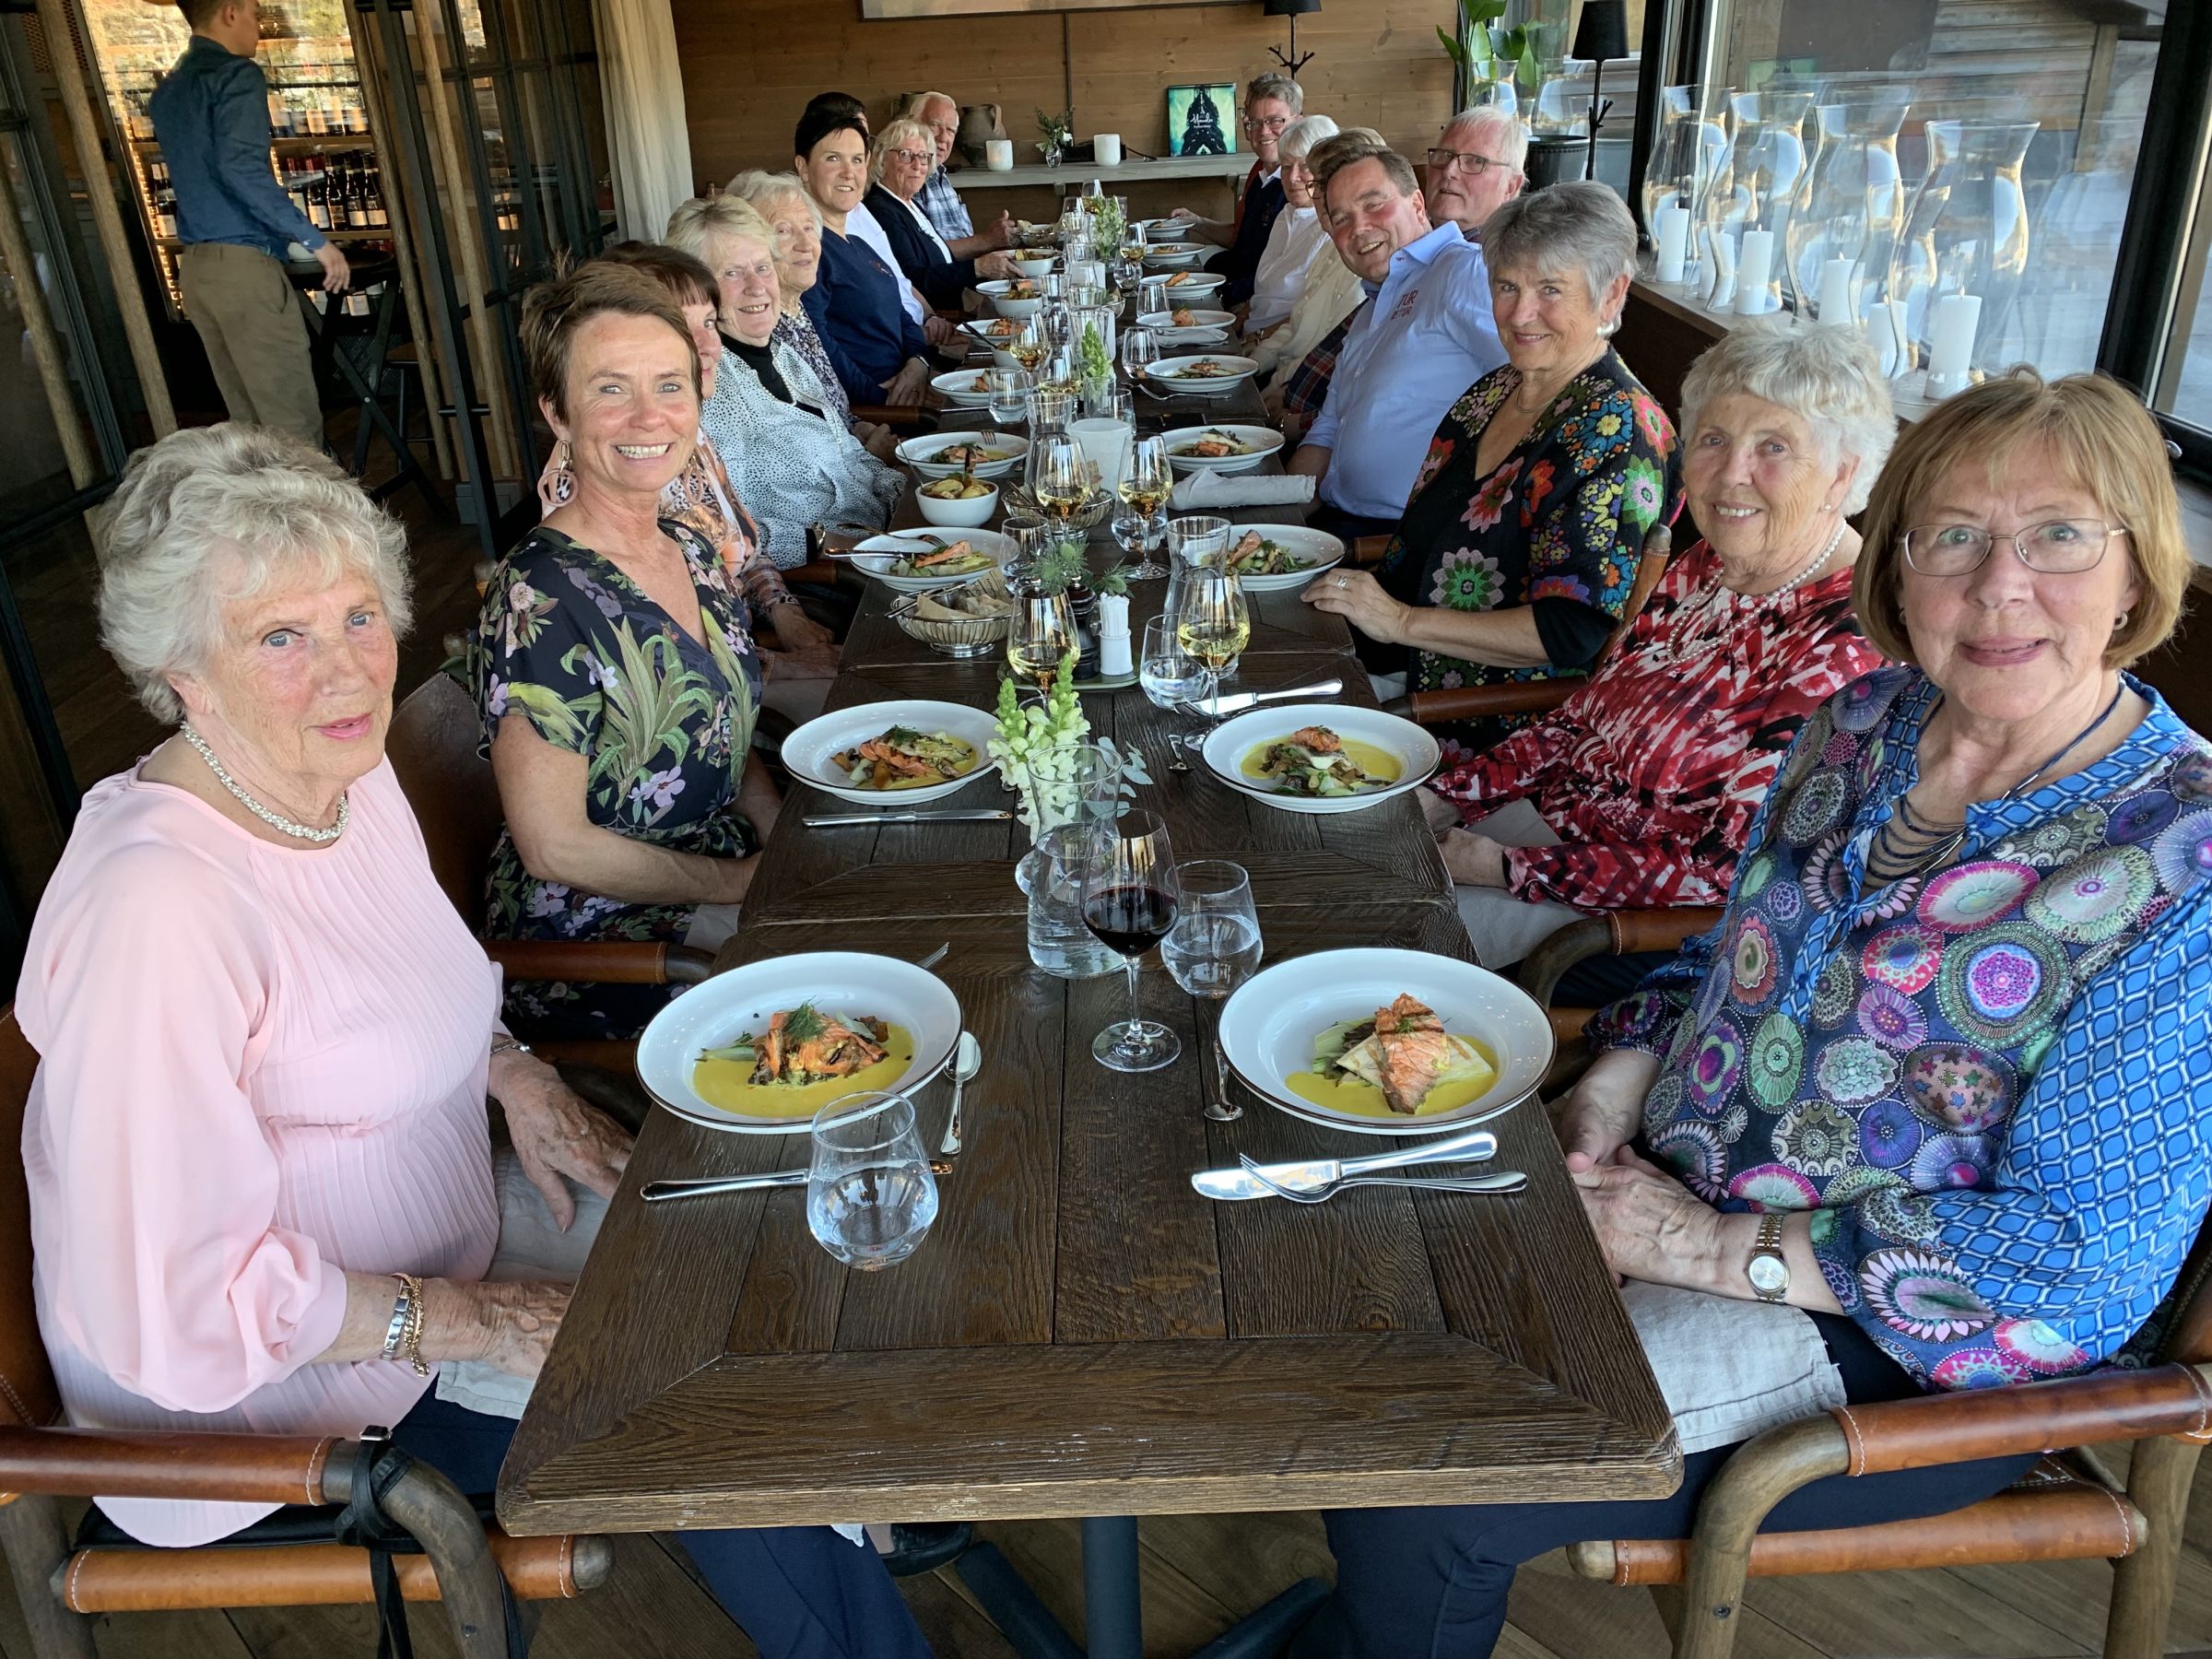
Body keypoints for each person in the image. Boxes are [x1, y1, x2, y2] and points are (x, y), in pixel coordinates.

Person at [1302, 366, 2211, 1659]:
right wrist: (1612, 1086)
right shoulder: (1863, 723)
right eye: (1953, 536)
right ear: (1898, 564)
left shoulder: (2181, 862)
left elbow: (2077, 1266)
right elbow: (1725, 962)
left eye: (2059, 536)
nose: (2000, 587)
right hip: (1655, 1186)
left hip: (1890, 1333)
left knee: (1429, 1471)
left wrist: (1706, 1247)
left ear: (2135, 574)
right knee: (1355, 1271)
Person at [20, 422, 934, 1658]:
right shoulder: (158, 910)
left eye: (357, 617)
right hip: (284, 1393)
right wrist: (474, 1321)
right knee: (710, 1392)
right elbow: (176, 1307)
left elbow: (412, 982)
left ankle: (860, 1498)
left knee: (762, 1238)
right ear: (180, 670)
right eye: (279, 637)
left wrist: (514, 1074)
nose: (345, 673)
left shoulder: (336, 778)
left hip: (442, 1236)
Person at [1419, 321, 1893, 991]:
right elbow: (1580, 720)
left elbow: (1728, 871)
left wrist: (1504, 867)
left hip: (1625, 921)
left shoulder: (1848, 642)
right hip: (1541, 830)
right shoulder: (1707, 564)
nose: (1731, 474)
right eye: (1714, 439)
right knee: (1346, 869)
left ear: (1841, 474)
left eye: (1775, 447)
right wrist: (1449, 797)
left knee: (1370, 946)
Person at [475, 262, 782, 1041]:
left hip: (718, 875)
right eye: (611, 389)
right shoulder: (541, 596)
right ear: (558, 413)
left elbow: (723, 728)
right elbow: (553, 845)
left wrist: (779, 839)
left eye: (669, 386)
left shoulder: (688, 546)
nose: (650, 417)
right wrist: (738, 883)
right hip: (607, 939)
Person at [1304, 182, 1670, 747]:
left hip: (1481, 720)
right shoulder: (1494, 391)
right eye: (1506, 286)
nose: (1521, 313)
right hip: (1386, 661)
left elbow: (1571, 632)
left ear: (1611, 295)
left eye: (1551, 289)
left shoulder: (1617, 432)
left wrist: (1400, 621)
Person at [578, 240, 846, 707]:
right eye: (681, 327)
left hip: (749, 654)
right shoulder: (629, 466)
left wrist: (787, 615)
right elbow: (661, 654)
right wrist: (785, 667)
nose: (709, 345)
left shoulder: (692, 437)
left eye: (708, 322)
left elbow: (743, 544)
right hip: (710, 700)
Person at [666, 195, 902, 588]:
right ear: (698, 292)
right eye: (732, 273)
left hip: (883, 541)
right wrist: (824, 543)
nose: (757, 286)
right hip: (830, 580)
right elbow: (728, 531)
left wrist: (913, 488)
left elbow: (851, 458)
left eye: (763, 267)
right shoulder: (709, 388)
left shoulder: (784, 355)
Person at [149, 0, 348, 449]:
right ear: (230, 12)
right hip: (243, 269)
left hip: (197, 272)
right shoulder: (236, 75)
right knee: (292, 427)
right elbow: (240, 168)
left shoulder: (170, 88)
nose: (261, 28)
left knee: (249, 433)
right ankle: (307, 500)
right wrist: (316, 241)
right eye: (257, 16)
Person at [1287, 136, 1507, 540]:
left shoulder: (1462, 272)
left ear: (1418, 204)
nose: (1358, 228)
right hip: (1336, 526)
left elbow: (1536, 389)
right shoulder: (1371, 310)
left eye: (1374, 204)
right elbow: (1326, 431)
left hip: (1405, 542)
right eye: (1341, 219)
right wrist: (1277, 521)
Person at [794, 103, 937, 406]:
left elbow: (900, 312)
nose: (849, 172)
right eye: (833, 158)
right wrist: (880, 400)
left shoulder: (859, 243)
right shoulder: (808, 251)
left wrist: (918, 362)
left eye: (857, 160)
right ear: (803, 168)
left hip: (916, 386)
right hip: (883, 413)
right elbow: (817, 344)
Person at [1171, 72, 1301, 305]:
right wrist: (1197, 222)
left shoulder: (1299, 189)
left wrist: (1225, 298)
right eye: (1255, 122)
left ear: (1299, 122)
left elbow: (1285, 277)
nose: (1264, 132)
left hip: (1254, 302)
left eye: (1275, 121)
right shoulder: (1260, 173)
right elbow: (1238, 240)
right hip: (1232, 288)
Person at [865, 118, 1017, 311]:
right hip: (938, 318)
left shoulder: (908, 203)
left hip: (959, 304)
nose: (917, 165)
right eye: (906, 155)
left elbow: (939, 259)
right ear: (882, 159)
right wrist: (977, 268)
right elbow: (912, 279)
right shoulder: (881, 210)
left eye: (923, 156)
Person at [1243, 114, 1339, 337]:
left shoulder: (1331, 231)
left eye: (1304, 165)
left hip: (1281, 345)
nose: (1293, 177)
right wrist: (1240, 320)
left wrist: (1258, 339)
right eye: (1286, 167)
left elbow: (1312, 315)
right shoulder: (1286, 214)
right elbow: (1265, 293)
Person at [906, 91, 1017, 260]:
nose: (944, 138)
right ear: (911, 125)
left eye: (951, 130)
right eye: (934, 125)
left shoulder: (940, 175)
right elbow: (925, 253)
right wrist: (987, 240)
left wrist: (994, 240)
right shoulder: (909, 179)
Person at [1424, 105, 1528, 238]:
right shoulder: (1411, 233)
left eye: (1476, 161)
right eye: (1445, 155)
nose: (1449, 171)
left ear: (1510, 187)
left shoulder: (1504, 251)